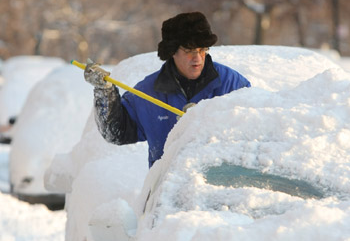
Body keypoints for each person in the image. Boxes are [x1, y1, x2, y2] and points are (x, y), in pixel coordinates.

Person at [84, 11, 251, 167]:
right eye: (189, 51)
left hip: (220, 190)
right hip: (168, 190)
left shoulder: (231, 84)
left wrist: (206, 119)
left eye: (202, 50)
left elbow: (252, 133)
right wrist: (104, 91)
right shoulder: (149, 92)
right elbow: (116, 132)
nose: (197, 58)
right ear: (172, 51)